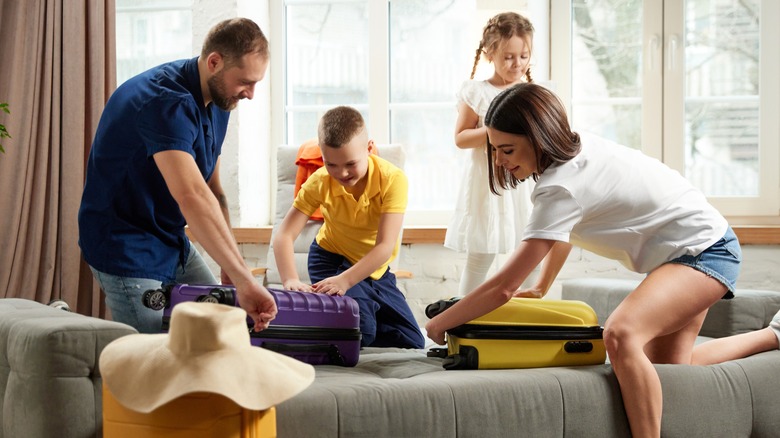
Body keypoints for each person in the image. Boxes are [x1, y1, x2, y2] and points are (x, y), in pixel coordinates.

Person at [426, 82, 780, 438]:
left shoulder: (560, 187)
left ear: (538, 138)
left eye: (507, 149)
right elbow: (562, 233)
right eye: (495, 150)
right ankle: (774, 335)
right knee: (672, 366)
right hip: (689, 249)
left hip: (705, 250)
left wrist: (441, 323)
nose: (499, 160)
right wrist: (541, 287)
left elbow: (503, 287)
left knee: (622, 335)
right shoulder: (573, 150)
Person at [78, 18, 276, 334]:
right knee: (157, 355)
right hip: (124, 242)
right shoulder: (164, 101)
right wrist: (244, 278)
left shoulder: (220, 102)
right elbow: (191, 196)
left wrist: (231, 264)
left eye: (256, 83)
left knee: (221, 330)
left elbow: (212, 190)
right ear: (214, 62)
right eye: (246, 82)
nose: (251, 94)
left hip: (170, 239)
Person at [273, 106, 425, 349]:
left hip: (374, 266)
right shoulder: (320, 181)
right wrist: (290, 278)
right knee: (361, 330)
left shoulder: (392, 179)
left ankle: (339, 316)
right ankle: (349, 318)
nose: (341, 173)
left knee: (412, 340)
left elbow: (385, 247)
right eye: (330, 164)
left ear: (369, 148)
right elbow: (284, 235)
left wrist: (347, 282)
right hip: (331, 260)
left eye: (351, 163)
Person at [445, 12, 562, 297]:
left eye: (524, 56)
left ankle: (524, 320)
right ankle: (462, 320)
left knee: (531, 252)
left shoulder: (534, 92)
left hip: (525, 183)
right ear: (490, 54)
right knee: (480, 257)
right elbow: (461, 138)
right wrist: (497, 130)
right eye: (509, 57)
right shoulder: (477, 92)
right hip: (489, 184)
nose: (517, 64)